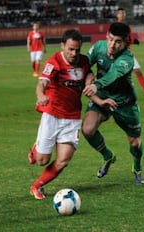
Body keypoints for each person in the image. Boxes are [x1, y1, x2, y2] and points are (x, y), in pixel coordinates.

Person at [27, 29, 115, 199]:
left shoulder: (82, 62)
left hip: (72, 118)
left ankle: (37, 186)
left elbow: (88, 78)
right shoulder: (54, 62)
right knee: (41, 160)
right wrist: (41, 96)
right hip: (52, 115)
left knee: (63, 160)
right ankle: (35, 149)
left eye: (77, 49)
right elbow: (42, 83)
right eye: (70, 49)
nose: (74, 53)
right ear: (62, 46)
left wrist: (99, 99)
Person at [82, 22, 144, 185]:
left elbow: (113, 74)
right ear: (106, 37)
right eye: (110, 39)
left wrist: (95, 85)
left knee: (135, 142)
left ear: (125, 43)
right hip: (103, 97)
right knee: (88, 130)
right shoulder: (98, 47)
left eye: (118, 41)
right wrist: (89, 75)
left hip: (124, 103)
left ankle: (137, 167)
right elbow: (83, 65)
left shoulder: (127, 58)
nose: (112, 44)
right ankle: (107, 156)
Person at [116, 7, 144, 99]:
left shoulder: (127, 27)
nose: (122, 15)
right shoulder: (114, 27)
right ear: (117, 15)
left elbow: (127, 39)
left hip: (127, 53)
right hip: (118, 54)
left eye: (123, 13)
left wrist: (133, 41)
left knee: (138, 71)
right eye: (120, 13)